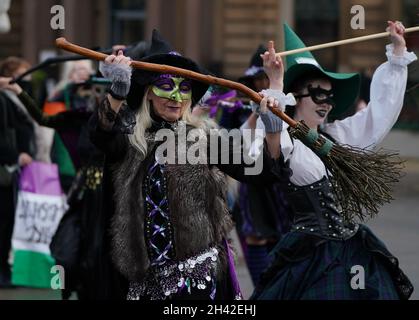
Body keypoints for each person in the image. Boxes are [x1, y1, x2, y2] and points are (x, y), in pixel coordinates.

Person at [88, 29, 286, 300]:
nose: (177, 97)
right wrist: (118, 91)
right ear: (148, 93)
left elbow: (262, 171)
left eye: (184, 88)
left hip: (198, 283)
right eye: (166, 86)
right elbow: (100, 134)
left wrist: (274, 120)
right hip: (142, 285)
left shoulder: (205, 137)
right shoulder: (130, 139)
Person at [249, 21, 416, 300]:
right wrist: (276, 82)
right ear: (296, 98)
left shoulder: (337, 136)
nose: (325, 101)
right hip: (311, 255)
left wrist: (398, 54)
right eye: (317, 93)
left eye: (329, 95)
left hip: (354, 251)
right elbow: (270, 136)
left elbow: (379, 115)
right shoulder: (288, 143)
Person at [0, 59, 34, 288]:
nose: (26, 80)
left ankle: (4, 268)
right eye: (22, 75)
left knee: (7, 221)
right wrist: (15, 156)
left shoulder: (10, 99)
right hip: (6, 167)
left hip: (10, 170)